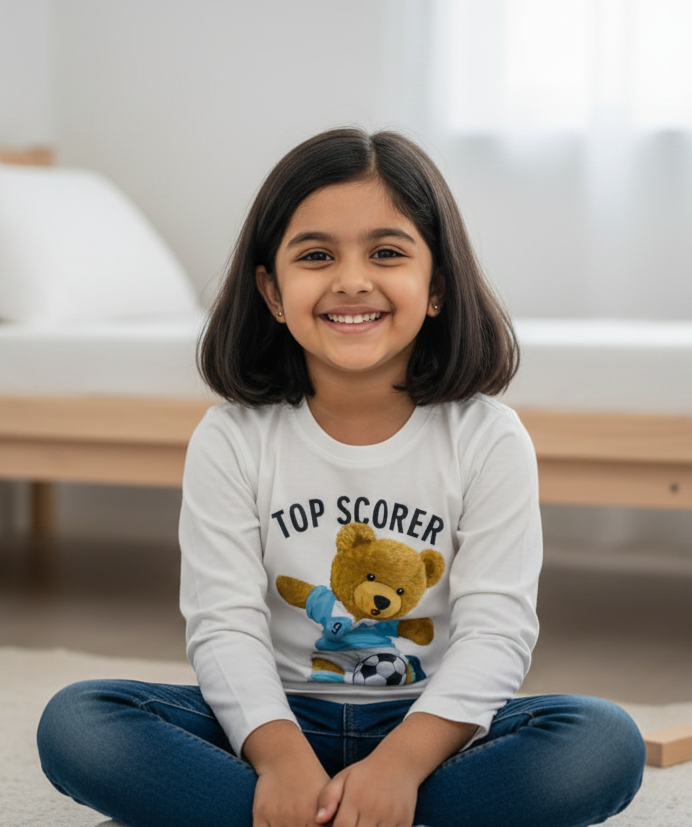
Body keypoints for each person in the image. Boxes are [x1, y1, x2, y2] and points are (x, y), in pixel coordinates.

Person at [37, 128, 646, 827]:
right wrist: (279, 757)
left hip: (432, 731)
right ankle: (338, 811)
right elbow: (224, 625)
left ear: (437, 286)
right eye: (317, 255)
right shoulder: (231, 438)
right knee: (78, 723)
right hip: (272, 722)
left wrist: (400, 765)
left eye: (386, 253)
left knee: (601, 741)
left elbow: (497, 632)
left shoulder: (488, 437)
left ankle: (331, 813)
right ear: (271, 290)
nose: (351, 279)